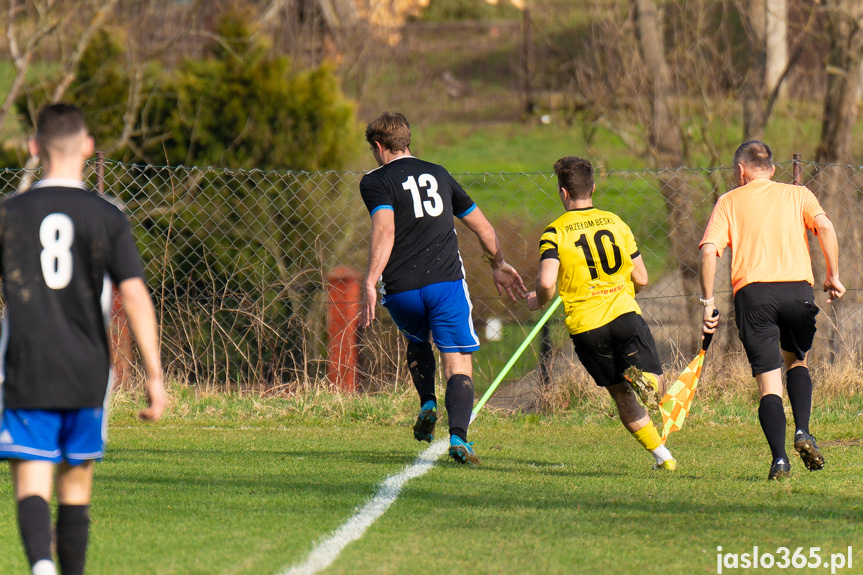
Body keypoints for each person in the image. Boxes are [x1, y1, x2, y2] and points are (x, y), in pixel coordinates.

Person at [0, 104, 166, 575]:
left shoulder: (9, 213)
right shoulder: (107, 215)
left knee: (32, 480)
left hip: (25, 365)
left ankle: (40, 566)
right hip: (87, 369)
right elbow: (134, 296)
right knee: (75, 484)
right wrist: (154, 376)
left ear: (34, 148)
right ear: (88, 147)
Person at [359, 112, 525, 465]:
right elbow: (482, 227)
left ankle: (427, 402)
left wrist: (370, 281)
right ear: (407, 140)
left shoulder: (373, 181)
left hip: (402, 290)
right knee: (457, 361)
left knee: (417, 341)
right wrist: (498, 265)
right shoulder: (439, 173)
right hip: (445, 285)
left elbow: (385, 230)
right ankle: (459, 439)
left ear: (378, 146)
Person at [699, 140, 844, 481]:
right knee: (797, 360)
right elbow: (824, 226)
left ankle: (779, 460)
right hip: (797, 290)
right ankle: (803, 432)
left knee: (768, 382)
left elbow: (708, 251)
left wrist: (708, 302)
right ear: (773, 168)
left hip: (754, 295)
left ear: (740, 170)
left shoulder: (729, 201)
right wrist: (833, 274)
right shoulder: (799, 194)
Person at [526, 156, 676, 471]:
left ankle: (663, 458)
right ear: (592, 188)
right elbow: (643, 278)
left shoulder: (554, 232)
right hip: (623, 315)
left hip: (587, 328)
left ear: (563, 193)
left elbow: (547, 282)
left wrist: (536, 300)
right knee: (655, 384)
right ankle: (645, 379)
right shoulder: (616, 223)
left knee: (621, 394)